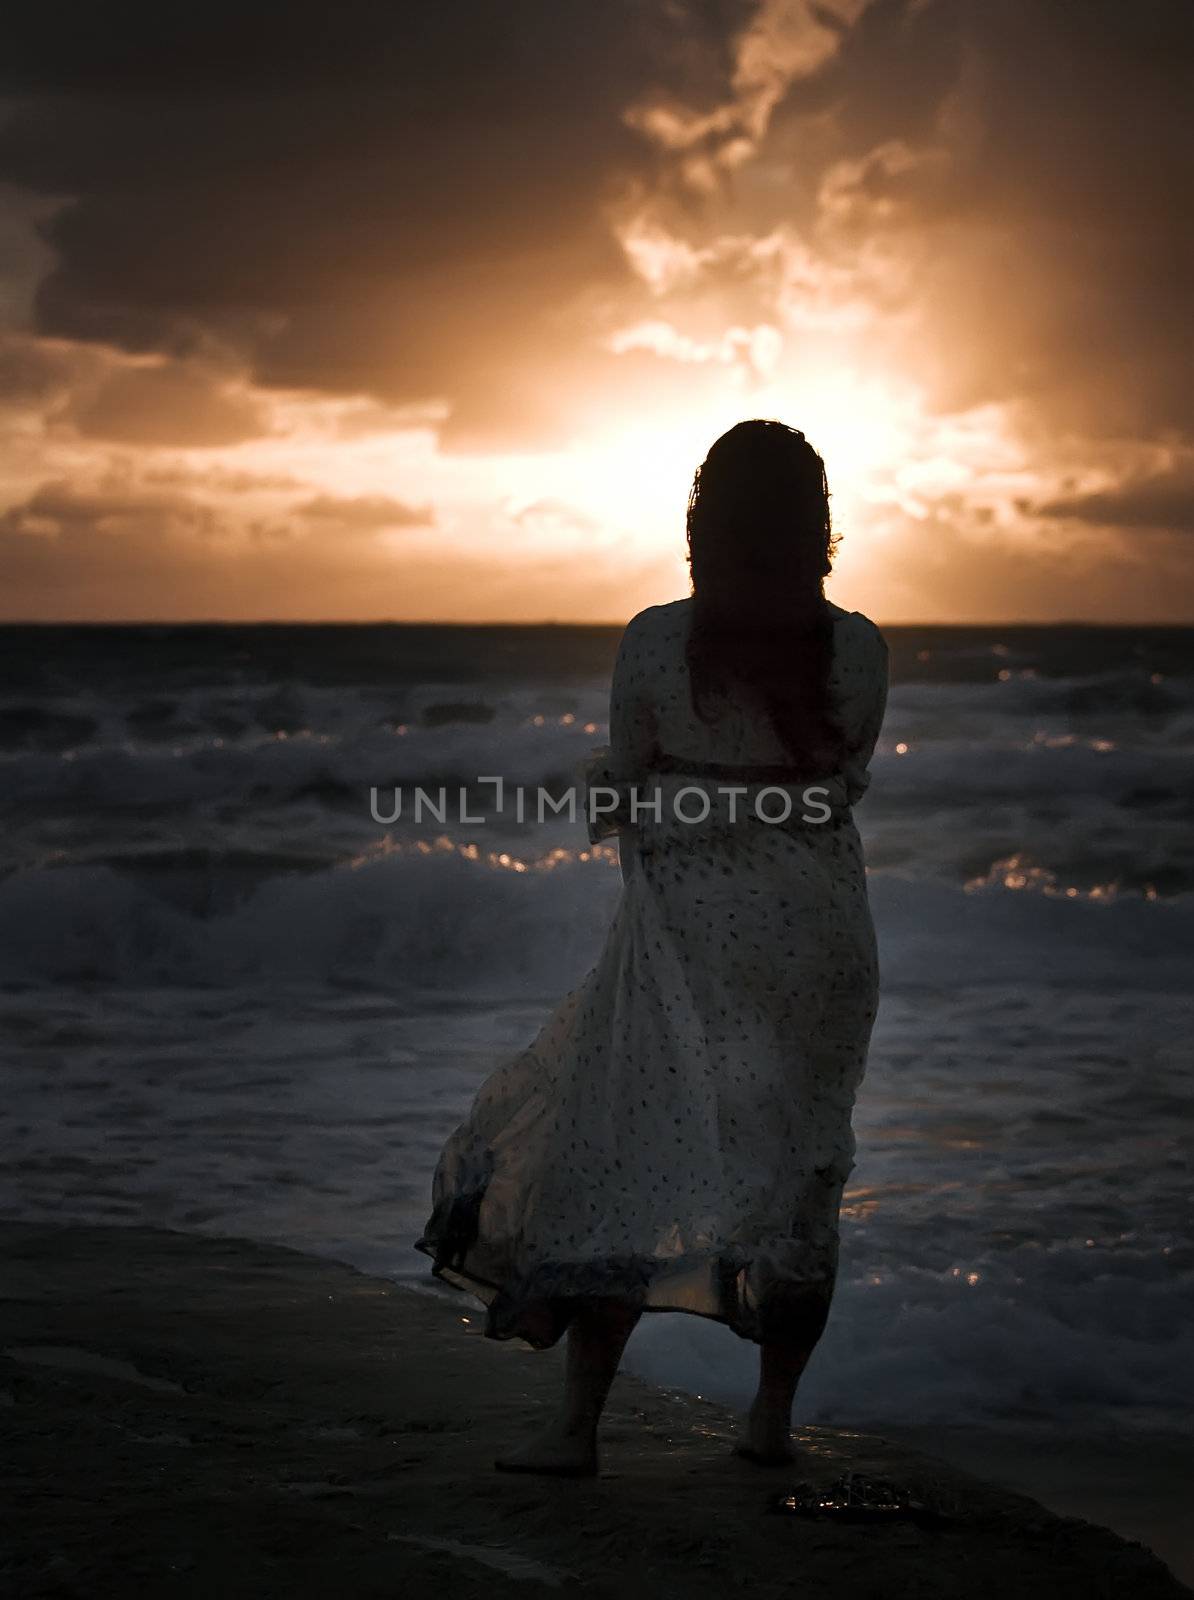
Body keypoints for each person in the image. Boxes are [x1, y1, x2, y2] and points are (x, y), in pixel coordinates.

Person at [416, 419, 889, 1477]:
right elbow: (840, 777)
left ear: (701, 525)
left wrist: (680, 797)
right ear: (817, 528)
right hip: (820, 952)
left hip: (683, 950)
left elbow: (627, 784)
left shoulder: (655, 641)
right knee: (800, 1180)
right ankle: (769, 1422)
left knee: (621, 1165)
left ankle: (578, 1430)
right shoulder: (859, 646)